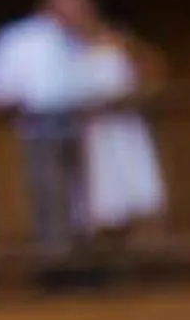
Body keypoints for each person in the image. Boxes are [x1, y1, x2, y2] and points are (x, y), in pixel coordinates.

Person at [0, 0, 94, 266]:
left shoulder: (81, 41)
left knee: (86, 196)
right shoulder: (19, 38)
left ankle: (88, 257)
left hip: (87, 124)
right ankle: (58, 262)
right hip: (38, 123)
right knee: (49, 191)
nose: (79, 7)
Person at [71, 15, 167, 242]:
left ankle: (148, 248)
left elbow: (152, 74)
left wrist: (133, 98)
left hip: (125, 127)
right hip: (94, 131)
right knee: (102, 197)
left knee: (138, 187)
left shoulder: (124, 43)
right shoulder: (71, 50)